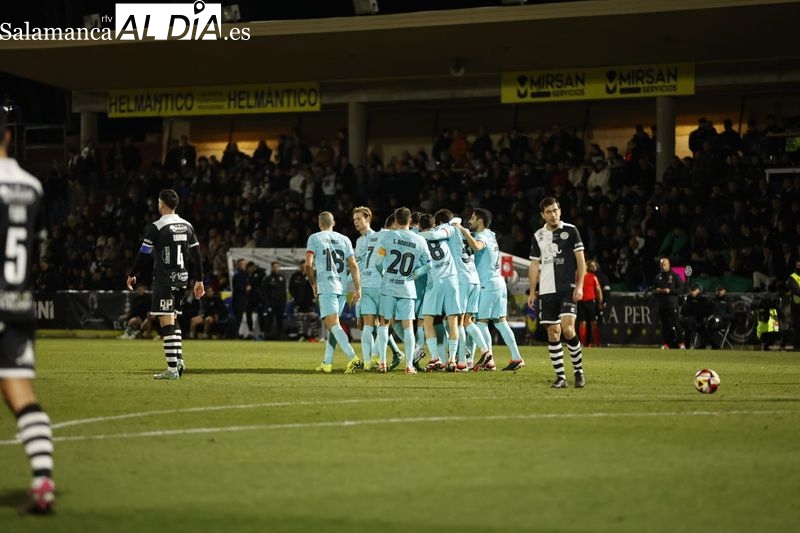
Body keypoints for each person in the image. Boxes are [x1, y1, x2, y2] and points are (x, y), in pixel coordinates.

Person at [0, 111, 56, 513]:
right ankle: (42, 482)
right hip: (18, 304)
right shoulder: (33, 186)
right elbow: (39, 249)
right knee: (21, 395)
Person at [127, 189, 205, 379]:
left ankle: (171, 370)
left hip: (164, 279)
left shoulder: (157, 227)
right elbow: (197, 256)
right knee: (174, 319)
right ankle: (179, 362)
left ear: (161, 204)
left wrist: (132, 274)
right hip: (182, 279)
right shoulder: (187, 226)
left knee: (165, 322)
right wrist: (200, 280)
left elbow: (143, 254)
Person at [457, 208, 526, 372]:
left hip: (487, 284)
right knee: (501, 322)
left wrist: (462, 230)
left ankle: (489, 360)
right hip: (499, 282)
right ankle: (516, 357)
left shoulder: (482, 237)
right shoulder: (492, 234)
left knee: (481, 323)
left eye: (473, 219)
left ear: (480, 221)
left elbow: (476, 246)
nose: (470, 221)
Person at [527, 197, 586, 388]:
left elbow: (581, 261)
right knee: (553, 333)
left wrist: (579, 285)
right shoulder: (538, 235)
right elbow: (534, 264)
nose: (553, 215)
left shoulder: (571, 230)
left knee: (568, 329)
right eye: (549, 212)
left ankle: (578, 372)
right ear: (543, 215)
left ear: (560, 211)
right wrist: (532, 291)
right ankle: (561, 377)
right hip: (546, 291)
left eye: (555, 210)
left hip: (567, 288)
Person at [375, 207, 432, 374]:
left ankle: (382, 364)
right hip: (407, 288)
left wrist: (384, 275)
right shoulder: (419, 240)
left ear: (396, 220)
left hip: (388, 286)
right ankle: (409, 365)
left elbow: (378, 262)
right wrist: (415, 274)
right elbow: (429, 264)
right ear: (409, 221)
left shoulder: (387, 236)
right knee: (407, 326)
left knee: (384, 324)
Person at [306, 211, 362, 373]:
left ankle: (353, 358)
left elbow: (308, 265)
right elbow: (353, 264)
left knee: (332, 324)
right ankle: (327, 362)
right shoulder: (345, 239)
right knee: (333, 325)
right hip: (342, 287)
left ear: (319, 223)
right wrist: (357, 288)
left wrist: (313, 283)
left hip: (326, 285)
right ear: (334, 223)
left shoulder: (314, 238)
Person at [653, 257, 685, 349]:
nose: (663, 266)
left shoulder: (675, 276)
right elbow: (653, 290)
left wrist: (670, 290)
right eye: (661, 264)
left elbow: (681, 289)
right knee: (665, 326)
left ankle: (682, 343)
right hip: (662, 305)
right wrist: (657, 291)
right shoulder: (658, 277)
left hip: (672, 304)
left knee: (676, 324)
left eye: (665, 264)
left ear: (669, 265)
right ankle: (666, 344)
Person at [288, 260, 319, 341]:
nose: (303, 268)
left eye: (305, 266)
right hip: (298, 302)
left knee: (312, 318)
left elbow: (315, 287)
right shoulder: (295, 276)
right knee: (299, 318)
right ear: (300, 266)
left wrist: (313, 297)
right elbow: (291, 288)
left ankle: (315, 336)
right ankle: (301, 336)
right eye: (302, 266)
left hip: (309, 302)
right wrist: (296, 297)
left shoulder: (311, 275)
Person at [577, 259, 603, 347]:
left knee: (593, 323)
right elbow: (598, 290)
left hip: (590, 302)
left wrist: (600, 302)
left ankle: (597, 344)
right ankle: (584, 344)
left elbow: (598, 290)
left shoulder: (592, 276)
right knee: (583, 323)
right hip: (581, 302)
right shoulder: (578, 276)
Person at [680, 282, 710, 349]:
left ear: (698, 290)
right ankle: (683, 344)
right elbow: (684, 310)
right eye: (691, 290)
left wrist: (703, 318)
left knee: (691, 324)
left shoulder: (703, 299)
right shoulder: (688, 298)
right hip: (688, 320)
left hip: (699, 320)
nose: (692, 292)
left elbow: (706, 312)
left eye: (694, 290)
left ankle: (691, 344)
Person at [263, 260, 287, 339]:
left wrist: (284, 302)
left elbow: (284, 291)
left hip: (280, 303)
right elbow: (264, 292)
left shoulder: (282, 278)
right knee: (269, 319)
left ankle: (281, 336)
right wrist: (267, 303)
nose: (276, 268)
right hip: (271, 303)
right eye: (274, 267)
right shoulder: (268, 279)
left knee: (280, 320)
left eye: (277, 267)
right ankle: (267, 335)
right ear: (271, 268)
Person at [789, 259, 800, 351]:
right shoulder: (793, 277)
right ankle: (796, 345)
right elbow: (795, 289)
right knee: (796, 325)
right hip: (796, 305)